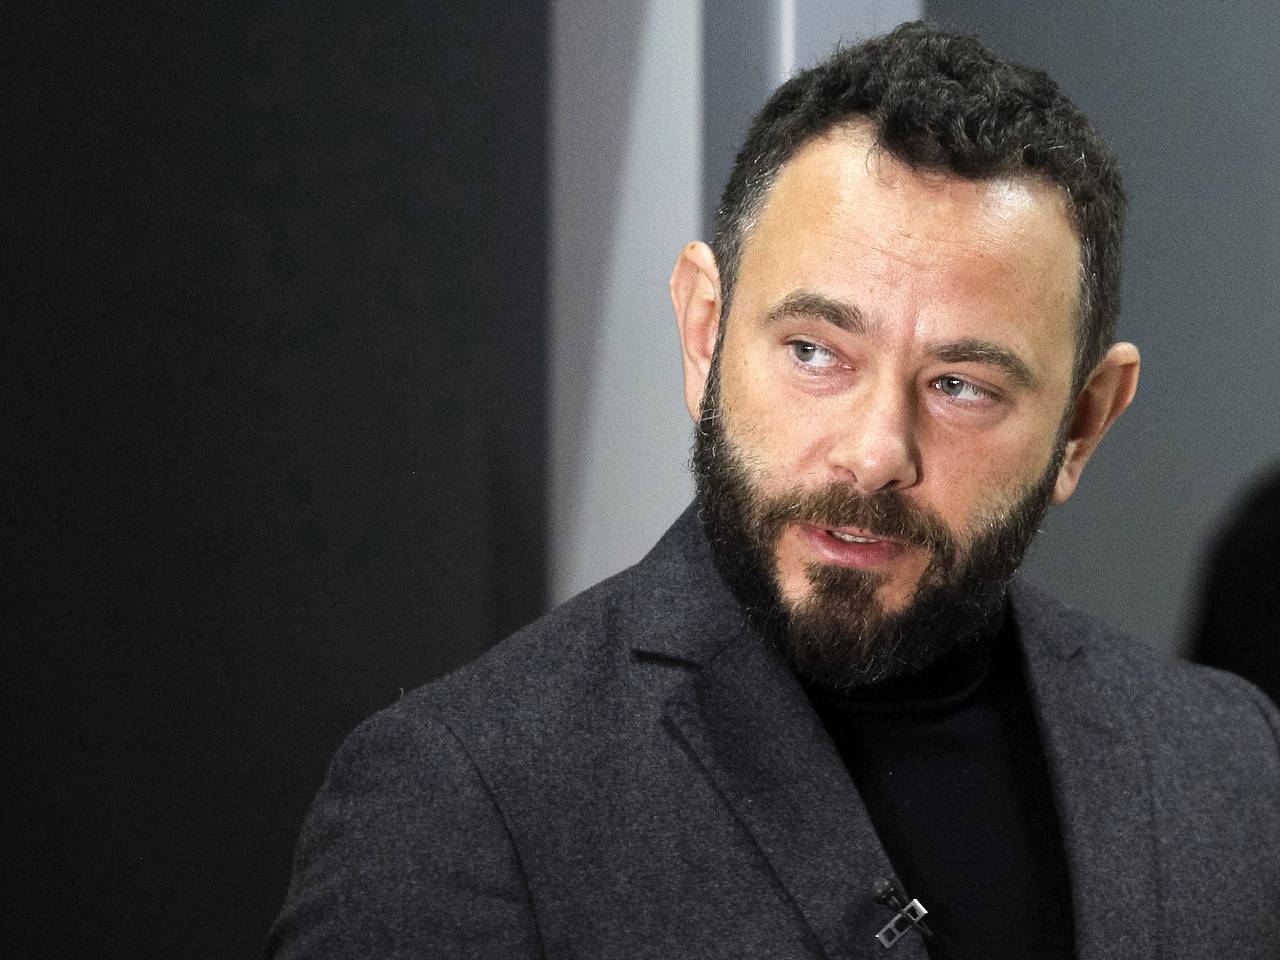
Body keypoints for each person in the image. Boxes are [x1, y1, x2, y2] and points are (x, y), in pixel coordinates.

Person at [265, 23, 1279, 959]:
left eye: (960, 386)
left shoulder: (1232, 762)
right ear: (704, 332)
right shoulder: (462, 797)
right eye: (813, 351)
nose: (874, 454)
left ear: (1084, 422)